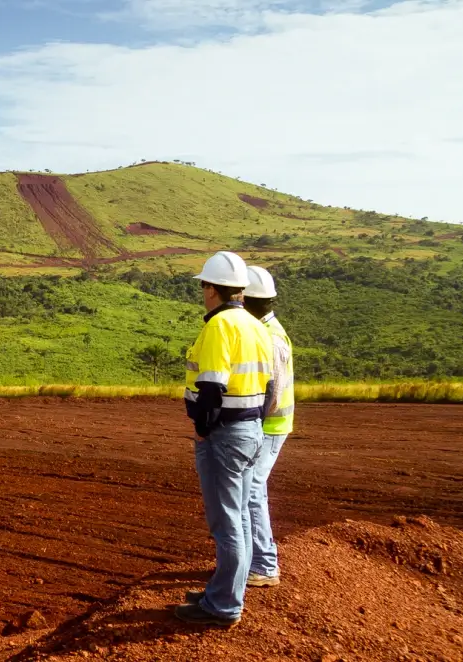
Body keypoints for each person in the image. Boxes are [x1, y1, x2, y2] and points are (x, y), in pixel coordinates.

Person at [175, 251, 275, 627]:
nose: (202, 292)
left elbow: (212, 390)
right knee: (242, 518)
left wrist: (202, 430)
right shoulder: (255, 326)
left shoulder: (219, 327)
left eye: (203, 285)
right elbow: (267, 387)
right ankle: (224, 590)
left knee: (227, 521)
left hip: (225, 434)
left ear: (212, 289)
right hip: (250, 430)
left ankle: (224, 605)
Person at [242, 265, 293, 588]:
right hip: (270, 425)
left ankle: (264, 565)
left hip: (269, 426)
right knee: (251, 491)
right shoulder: (266, 330)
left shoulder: (270, 337)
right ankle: (253, 562)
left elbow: (272, 394)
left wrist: (251, 424)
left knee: (252, 493)